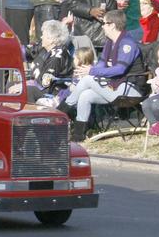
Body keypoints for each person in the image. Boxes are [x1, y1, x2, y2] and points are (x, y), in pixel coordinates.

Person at [60, 10, 146, 141]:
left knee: (88, 79)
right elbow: (101, 65)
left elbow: (119, 70)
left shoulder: (127, 44)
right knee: (85, 95)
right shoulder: (110, 43)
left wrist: (91, 72)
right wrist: (87, 70)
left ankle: (61, 111)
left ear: (112, 25)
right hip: (115, 87)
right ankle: (78, 135)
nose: (102, 26)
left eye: (104, 23)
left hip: (131, 89)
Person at [25, 20, 73, 102]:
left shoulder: (56, 57)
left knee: (27, 91)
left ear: (52, 39)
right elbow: (29, 52)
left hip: (55, 90)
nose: (41, 37)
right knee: (12, 84)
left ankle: (30, 113)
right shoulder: (45, 49)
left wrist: (24, 85)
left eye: (44, 35)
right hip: (41, 85)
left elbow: (45, 83)